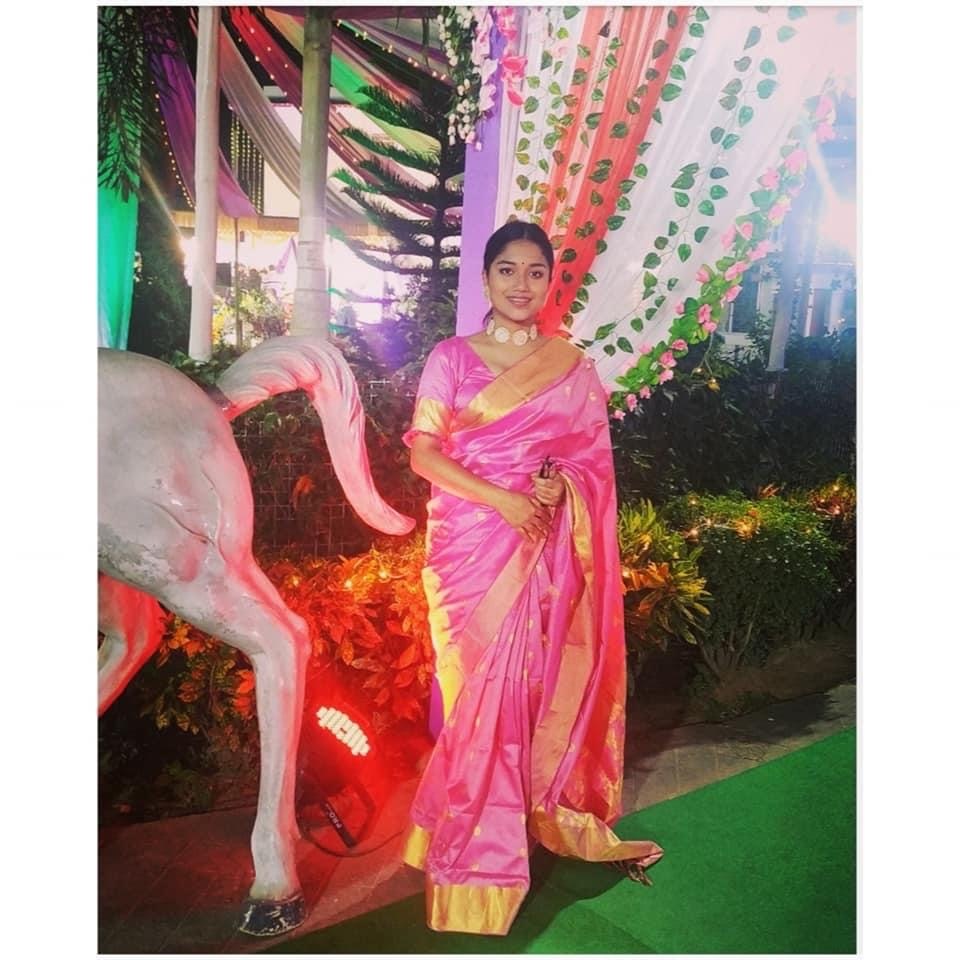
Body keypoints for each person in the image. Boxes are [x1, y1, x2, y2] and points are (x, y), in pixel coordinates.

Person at [400, 221, 663, 936]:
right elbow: (424, 454)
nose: (521, 284)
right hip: (469, 550)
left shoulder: (571, 368)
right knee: (475, 700)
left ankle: (493, 843)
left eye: (536, 272)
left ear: (551, 282)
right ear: (486, 278)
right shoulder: (451, 358)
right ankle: (469, 842)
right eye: (508, 270)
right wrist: (504, 499)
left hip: (539, 552)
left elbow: (587, 466)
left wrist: (555, 486)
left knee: (522, 696)